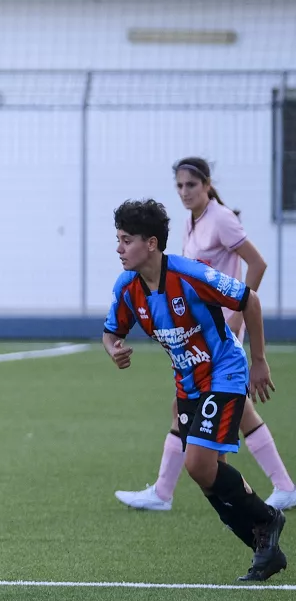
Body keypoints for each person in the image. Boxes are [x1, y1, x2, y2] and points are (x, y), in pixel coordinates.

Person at [103, 198, 286, 581]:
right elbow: (111, 332)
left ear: (151, 243)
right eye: (117, 240)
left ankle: (268, 520)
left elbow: (248, 300)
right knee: (207, 475)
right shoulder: (127, 287)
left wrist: (259, 361)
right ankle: (262, 548)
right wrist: (114, 350)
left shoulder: (190, 275)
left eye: (126, 240)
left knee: (198, 465)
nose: (119, 248)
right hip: (188, 383)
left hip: (224, 372)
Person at [115, 158, 295, 512]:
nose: (184, 192)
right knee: (208, 409)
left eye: (191, 186)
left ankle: (168, 492)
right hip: (203, 330)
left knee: (219, 410)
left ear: (208, 185)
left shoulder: (222, 219)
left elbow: (256, 264)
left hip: (222, 331)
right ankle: (279, 486)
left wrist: (238, 316)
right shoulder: (189, 224)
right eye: (179, 186)